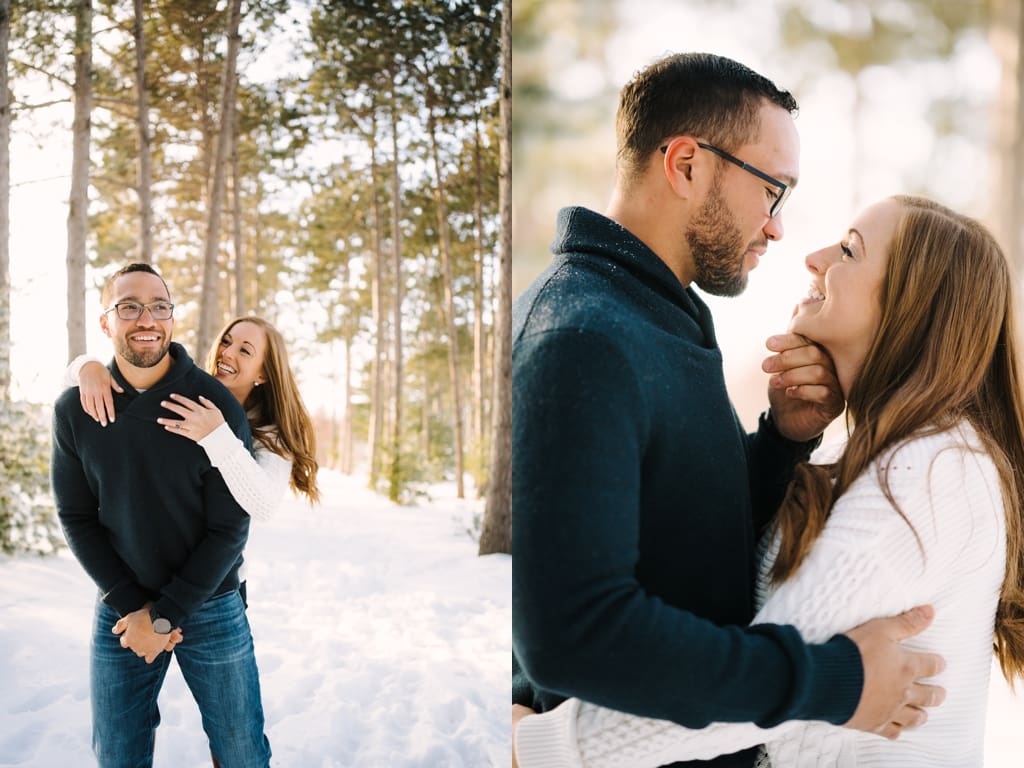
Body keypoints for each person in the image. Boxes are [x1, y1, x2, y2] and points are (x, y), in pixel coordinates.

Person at [512, 52, 944, 768]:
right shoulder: (582, 336)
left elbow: (678, 529)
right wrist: (834, 681)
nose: (777, 228)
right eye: (772, 190)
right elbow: (575, 636)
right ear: (686, 165)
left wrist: (781, 442)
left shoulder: (664, 313)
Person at [513, 196, 1024, 767]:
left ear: (913, 307)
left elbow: (757, 688)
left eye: (849, 250)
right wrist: (785, 439)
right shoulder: (877, 448)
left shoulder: (927, 474)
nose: (813, 256)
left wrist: (534, 747)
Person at [51, 262, 272, 767]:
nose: (145, 318)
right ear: (106, 323)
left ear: (172, 318)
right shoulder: (74, 411)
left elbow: (230, 526)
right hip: (121, 607)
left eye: (159, 306)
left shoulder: (213, 406)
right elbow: (76, 516)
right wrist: (134, 608)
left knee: (241, 751)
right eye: (128, 306)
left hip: (211, 602)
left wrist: (168, 612)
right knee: (117, 754)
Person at [66, 314, 321, 523]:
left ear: (263, 374)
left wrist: (217, 436)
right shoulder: (188, 392)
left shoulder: (269, 432)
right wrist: (86, 366)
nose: (228, 353)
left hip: (220, 578)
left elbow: (264, 505)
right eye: (226, 341)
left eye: (245, 351)